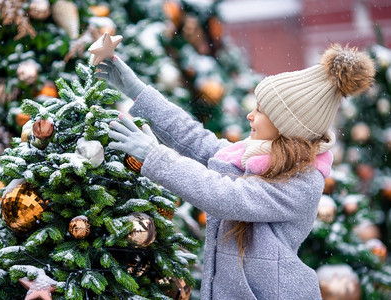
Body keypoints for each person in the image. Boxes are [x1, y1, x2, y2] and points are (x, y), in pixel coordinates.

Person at [95, 44, 375, 299]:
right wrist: (138, 91)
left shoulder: (301, 183)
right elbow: (195, 139)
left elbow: (225, 195)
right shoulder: (253, 157)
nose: (250, 116)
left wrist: (154, 156)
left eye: (261, 111)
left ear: (287, 126)